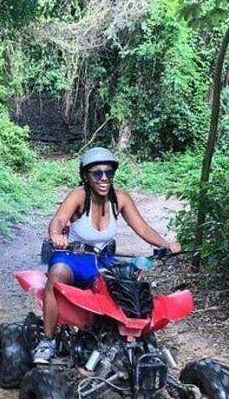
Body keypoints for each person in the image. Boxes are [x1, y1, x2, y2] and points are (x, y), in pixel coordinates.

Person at [33, 147, 181, 364]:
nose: (104, 178)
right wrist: (56, 234)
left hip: (102, 260)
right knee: (55, 278)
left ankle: (129, 342)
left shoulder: (120, 199)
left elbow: (143, 228)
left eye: (108, 173)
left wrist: (166, 245)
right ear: (86, 176)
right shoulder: (78, 196)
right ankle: (47, 341)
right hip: (72, 257)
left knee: (128, 286)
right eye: (97, 173)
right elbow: (58, 220)